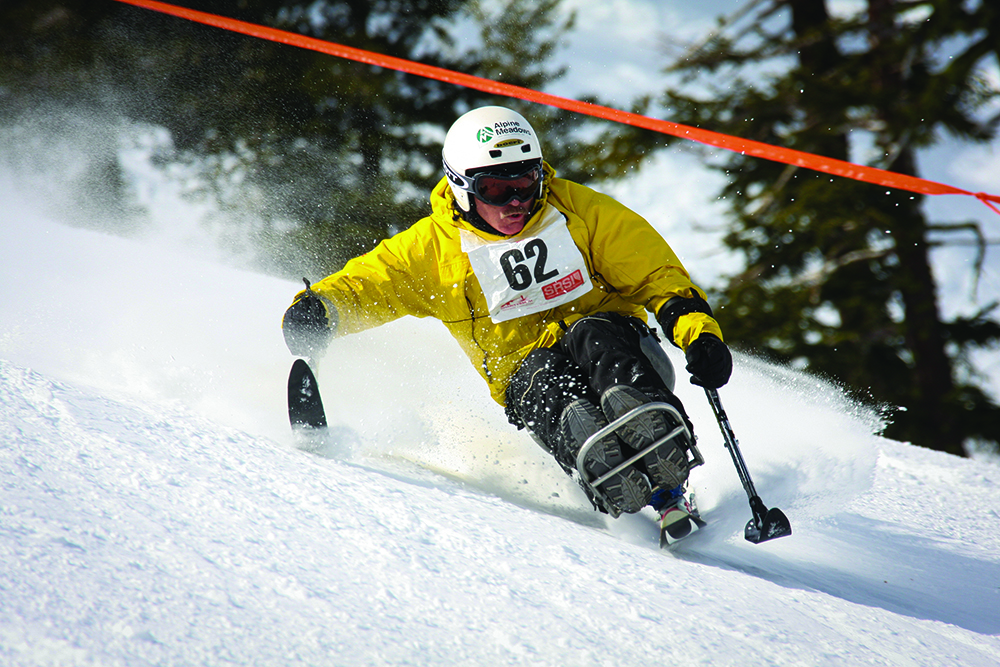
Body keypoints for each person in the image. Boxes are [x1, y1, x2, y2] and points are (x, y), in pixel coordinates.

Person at [282, 105, 732, 526]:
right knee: (541, 376)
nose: (515, 202)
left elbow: (656, 275)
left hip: (621, 350)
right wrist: (320, 309)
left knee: (594, 334)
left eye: (526, 183)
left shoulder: (582, 213)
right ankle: (602, 463)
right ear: (462, 188)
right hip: (527, 377)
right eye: (496, 190)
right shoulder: (433, 251)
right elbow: (370, 283)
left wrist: (699, 336)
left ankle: (659, 447)